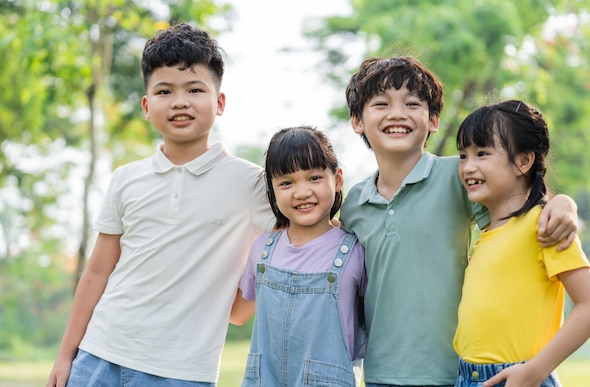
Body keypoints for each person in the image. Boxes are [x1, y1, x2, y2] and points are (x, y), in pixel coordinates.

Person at [46, 23, 275, 387]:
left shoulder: (252, 183)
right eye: (164, 91)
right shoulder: (126, 178)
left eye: (195, 89)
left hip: (181, 372)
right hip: (98, 356)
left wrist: (238, 308)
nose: (180, 101)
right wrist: (65, 356)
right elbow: (97, 272)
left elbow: (287, 249)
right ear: (146, 106)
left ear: (220, 102)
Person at [339, 56, 580, 386]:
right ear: (357, 121)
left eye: (412, 104)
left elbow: (518, 207)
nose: (397, 114)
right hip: (381, 372)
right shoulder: (354, 203)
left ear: (434, 119)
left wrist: (565, 204)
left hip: (455, 372)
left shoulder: (458, 176)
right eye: (381, 104)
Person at [453, 99, 590, 387]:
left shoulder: (545, 225)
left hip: (519, 377)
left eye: (482, 153)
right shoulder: (485, 233)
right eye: (463, 155)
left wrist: (536, 370)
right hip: (466, 377)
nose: (468, 167)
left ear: (523, 161)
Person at [230, 125, 368, 387]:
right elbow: (237, 314)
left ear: (337, 179)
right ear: (272, 189)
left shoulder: (355, 252)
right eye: (286, 182)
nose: (302, 192)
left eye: (314, 178)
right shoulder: (261, 250)